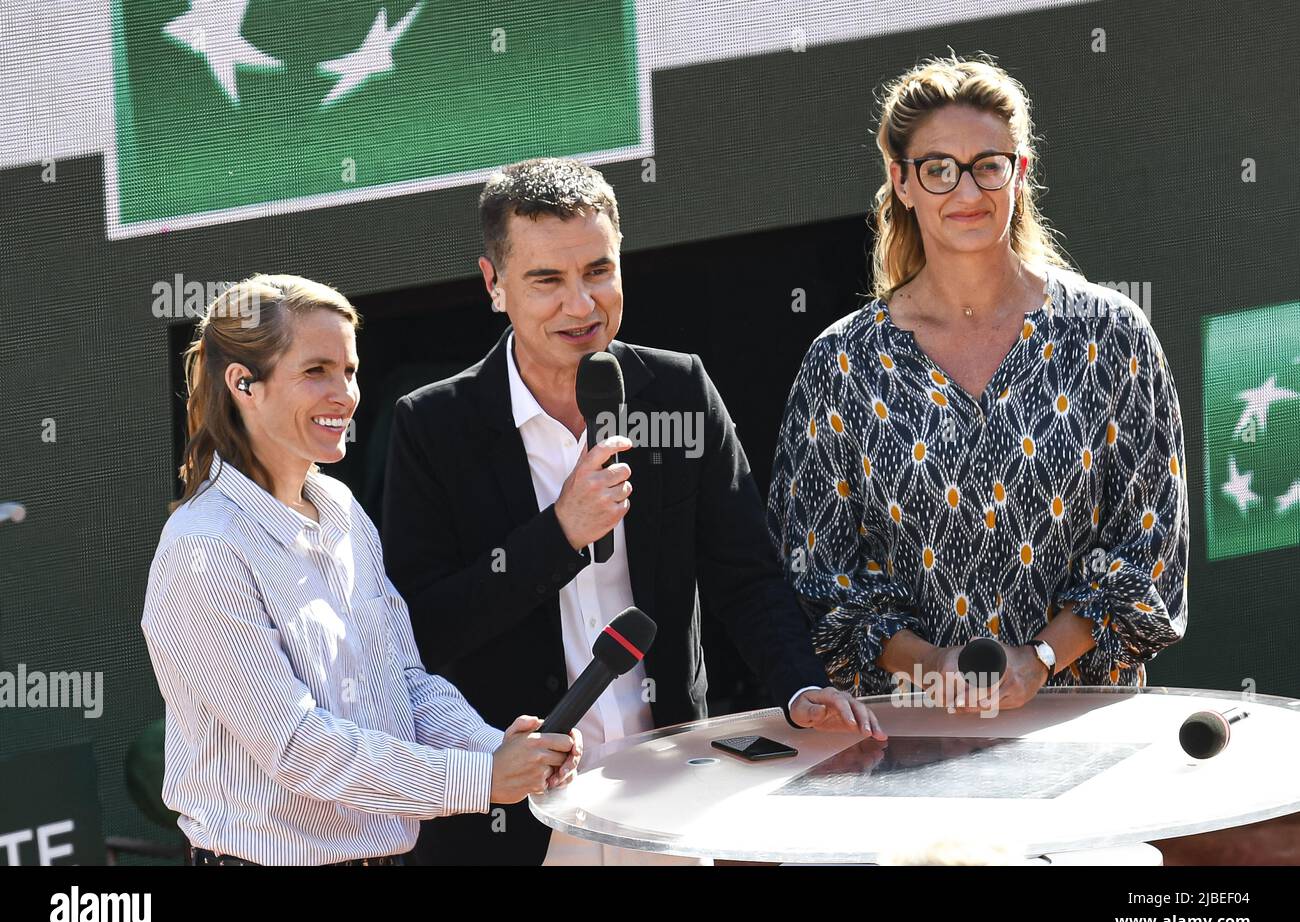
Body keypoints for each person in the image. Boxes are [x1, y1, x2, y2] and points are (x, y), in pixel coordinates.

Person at [382, 157, 886, 866]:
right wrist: (559, 535)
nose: (581, 305)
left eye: (598, 271)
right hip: (518, 817)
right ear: (494, 286)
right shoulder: (433, 426)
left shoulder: (678, 389)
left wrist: (799, 687)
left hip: (667, 797)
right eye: (547, 281)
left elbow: (747, 575)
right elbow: (424, 631)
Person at [768, 55, 1189, 713]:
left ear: (1020, 173)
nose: (966, 193)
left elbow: (1150, 552)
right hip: (904, 744)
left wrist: (1042, 659)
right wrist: (932, 664)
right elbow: (816, 579)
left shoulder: (1112, 334)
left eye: (987, 166)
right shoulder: (841, 362)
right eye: (939, 170)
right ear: (901, 182)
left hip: (1081, 734)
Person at [140, 274, 580, 866]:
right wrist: (480, 778)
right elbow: (297, 749)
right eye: (316, 371)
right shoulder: (203, 548)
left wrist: (499, 748)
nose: (345, 394)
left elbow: (405, 685)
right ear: (244, 384)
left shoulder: (344, 512)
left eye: (348, 371)